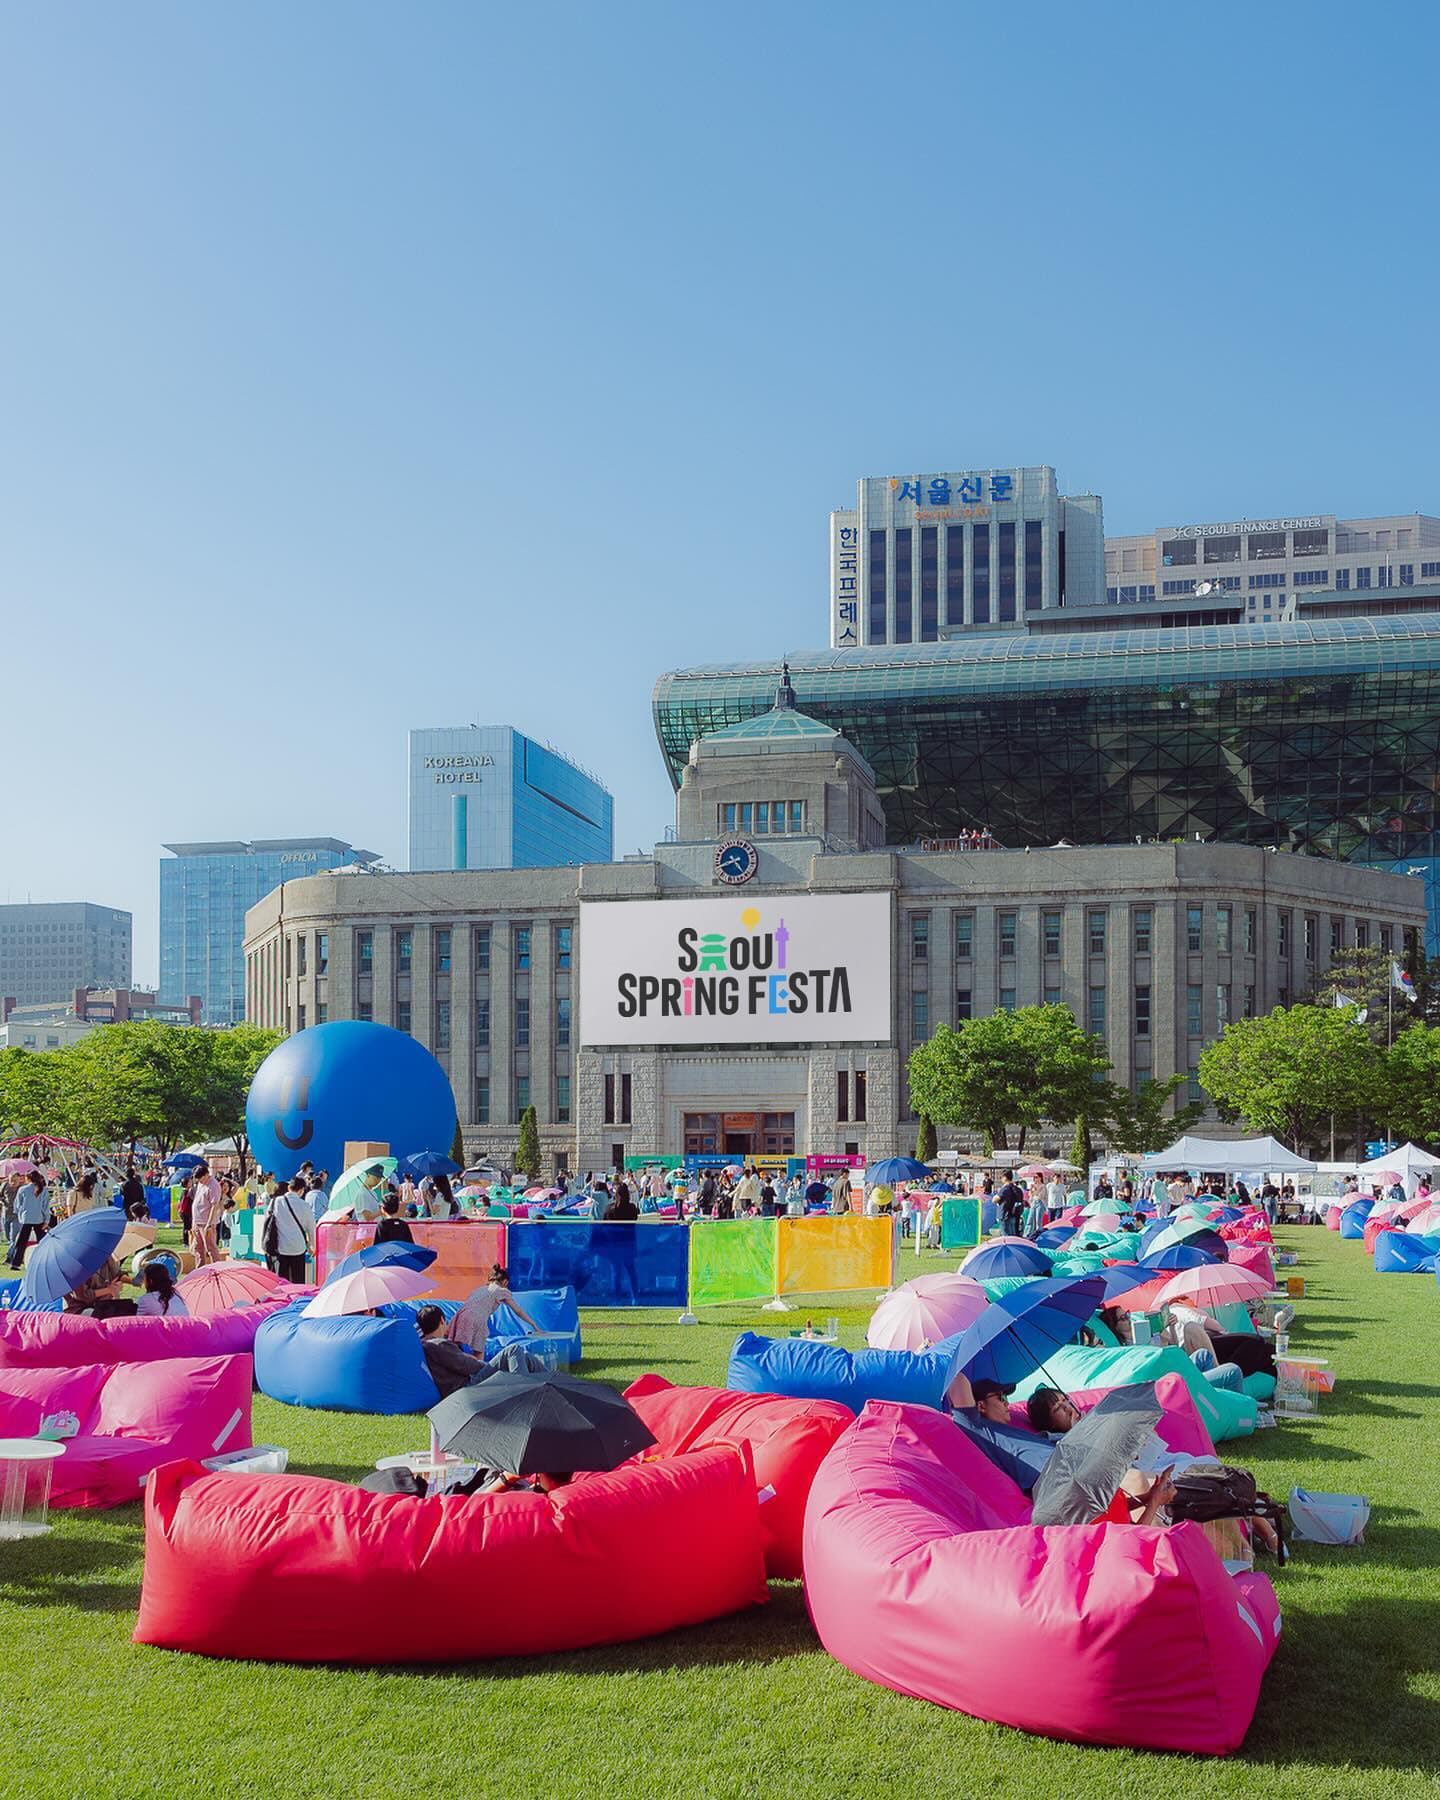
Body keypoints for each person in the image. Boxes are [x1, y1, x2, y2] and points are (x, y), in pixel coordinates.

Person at [449, 1264, 541, 1353]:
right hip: (477, 1318)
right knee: (478, 1352)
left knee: (456, 1347)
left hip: (460, 1316)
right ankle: (479, 1368)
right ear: (505, 1282)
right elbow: (518, 1311)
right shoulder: (501, 1291)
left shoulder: (478, 1290)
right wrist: (534, 1325)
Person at [415, 1304, 489, 1398]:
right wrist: (491, 1366)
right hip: (465, 1387)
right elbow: (471, 1366)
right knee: (510, 1351)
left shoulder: (422, 1345)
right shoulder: (438, 1344)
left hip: (452, 1390)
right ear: (442, 1320)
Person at [264, 1177, 316, 1282]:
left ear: (289, 1188)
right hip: (298, 1248)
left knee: (282, 1282)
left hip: (280, 1248)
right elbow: (311, 1228)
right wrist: (312, 1246)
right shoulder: (305, 1205)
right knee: (298, 1281)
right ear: (302, 1190)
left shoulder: (275, 1202)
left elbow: (268, 1220)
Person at [7, 1170, 50, 1269]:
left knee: (21, 1242)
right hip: (39, 1219)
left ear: (28, 1178)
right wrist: (46, 1220)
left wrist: (20, 1215)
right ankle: (45, 1260)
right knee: (42, 1241)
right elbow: (45, 1207)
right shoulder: (43, 1190)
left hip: (26, 1218)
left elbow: (17, 1205)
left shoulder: (23, 1189)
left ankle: (15, 1263)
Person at [191, 1162, 223, 1267]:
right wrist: (194, 1222)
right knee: (198, 1248)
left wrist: (209, 1224)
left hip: (207, 1222)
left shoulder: (214, 1185)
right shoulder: (201, 1184)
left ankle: (217, 1270)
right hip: (197, 1221)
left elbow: (214, 1205)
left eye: (201, 1178)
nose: (200, 1181)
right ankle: (200, 1270)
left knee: (210, 1248)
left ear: (206, 1175)